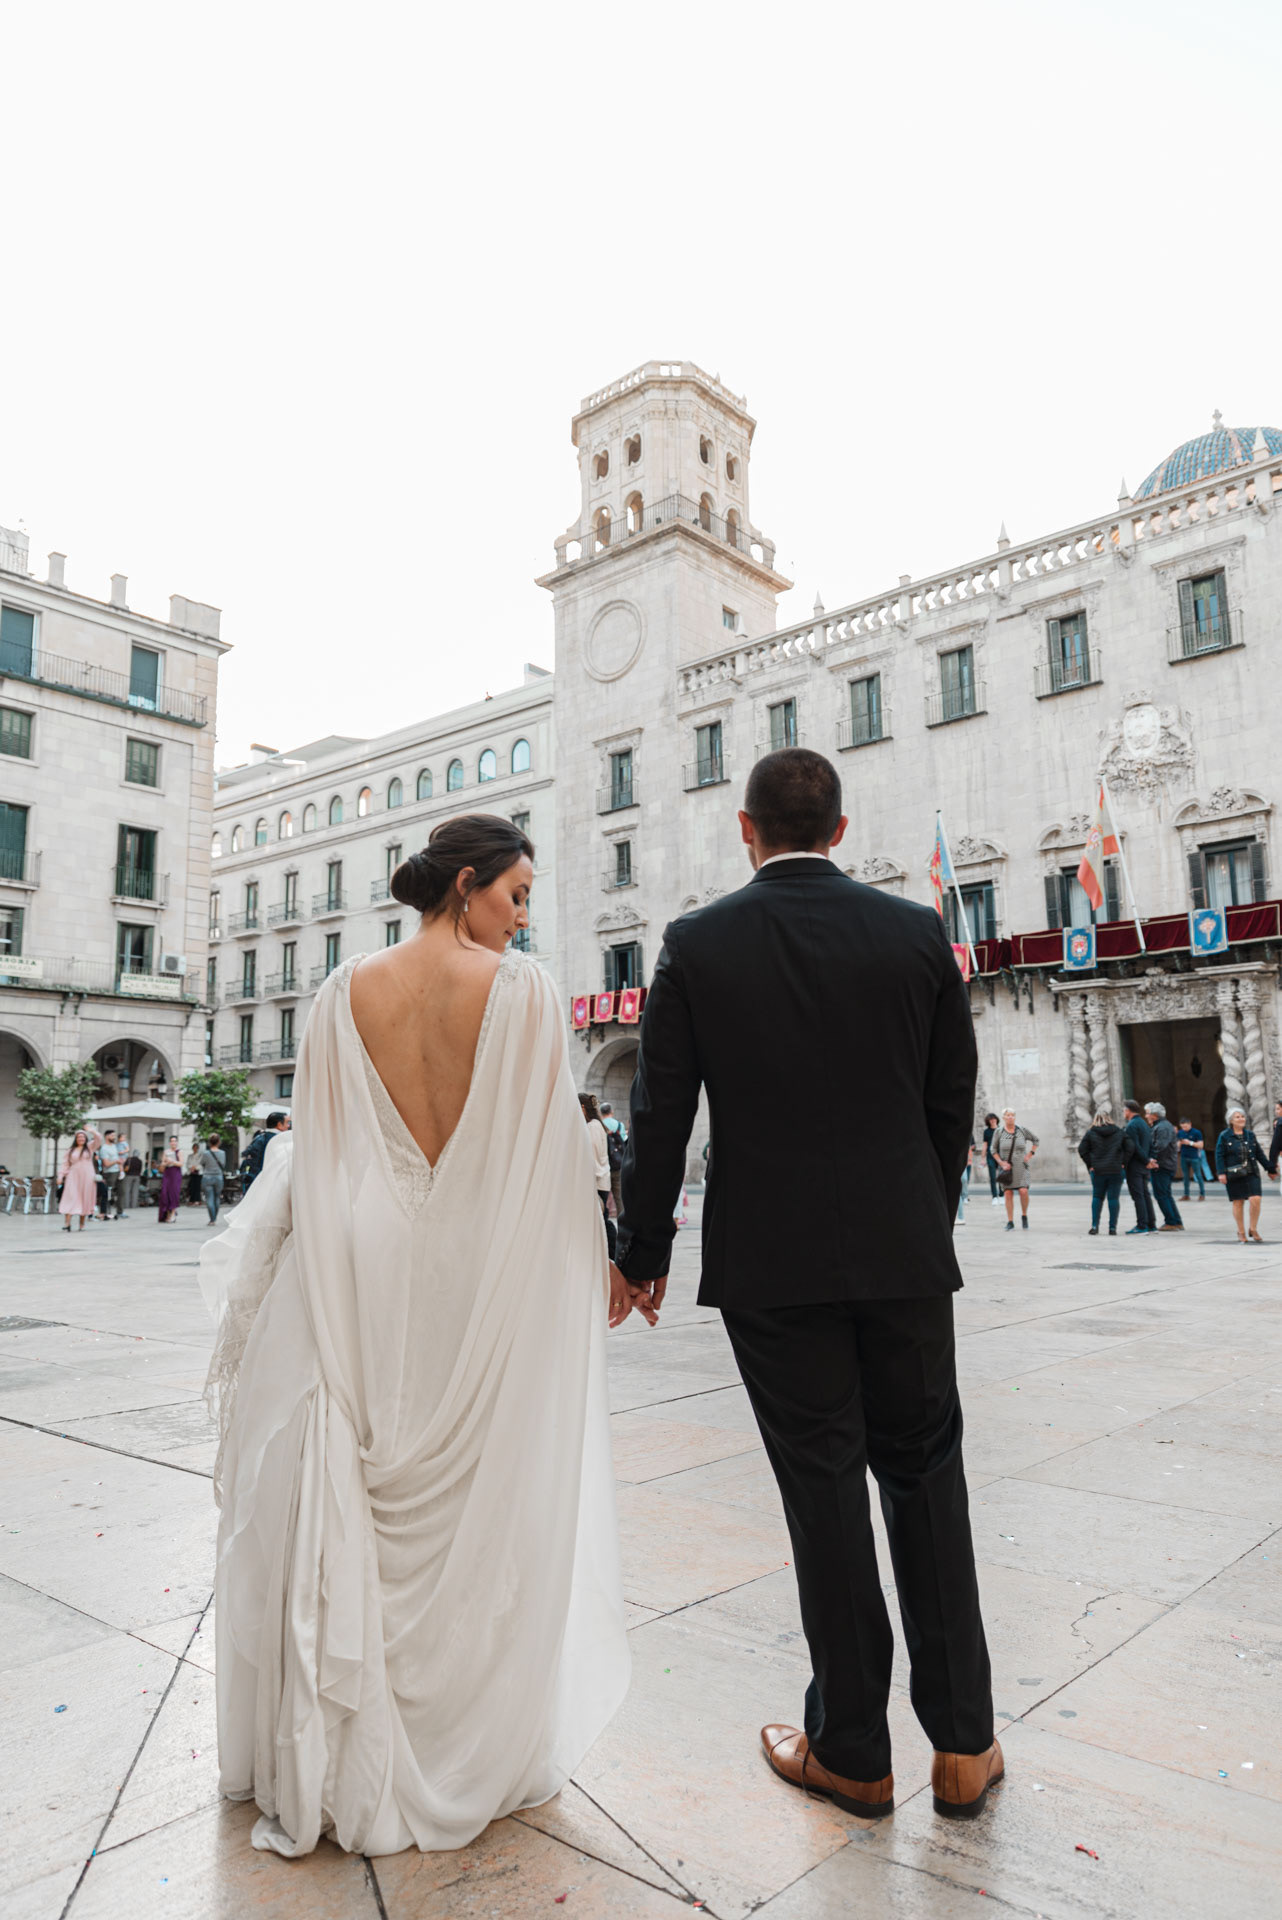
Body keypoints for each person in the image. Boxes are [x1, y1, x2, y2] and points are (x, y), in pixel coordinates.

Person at [199, 812, 630, 1858]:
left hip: (359, 1263)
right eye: (516, 896)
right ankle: (459, 1736)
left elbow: (320, 1155)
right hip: (471, 1271)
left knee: (354, 1462)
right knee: (482, 1494)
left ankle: (344, 1735)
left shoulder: (340, 993)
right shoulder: (522, 993)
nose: (521, 920)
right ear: (468, 883)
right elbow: (544, 1164)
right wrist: (593, 1266)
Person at [616, 748, 999, 1822]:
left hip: (771, 1262)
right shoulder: (917, 933)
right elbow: (950, 1100)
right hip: (902, 1252)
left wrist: (641, 1250)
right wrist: (919, 1216)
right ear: (840, 830)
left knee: (822, 1488)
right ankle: (964, 1745)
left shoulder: (697, 943)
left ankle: (853, 1752)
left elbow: (661, 1108)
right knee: (927, 1476)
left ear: (745, 829)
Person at [1215, 1106, 1277, 1243]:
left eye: (1242, 1116)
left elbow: (1259, 1154)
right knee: (1238, 1202)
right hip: (1234, 1174)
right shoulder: (1224, 1136)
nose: (1241, 1119)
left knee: (1256, 1199)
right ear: (1231, 1120)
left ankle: (1253, 1228)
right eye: (1237, 1117)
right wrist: (1221, 1173)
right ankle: (1241, 1231)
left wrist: (1270, 1169)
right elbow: (1219, 1155)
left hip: (1251, 1172)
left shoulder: (1250, 1135)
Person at [1077, 1109, 1126, 1235]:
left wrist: (1090, 1164)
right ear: (1109, 1118)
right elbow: (1130, 1147)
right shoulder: (1119, 1132)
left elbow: (1082, 1149)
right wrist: (1123, 1162)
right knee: (1113, 1198)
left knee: (1097, 1197)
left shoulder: (1090, 1133)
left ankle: (1094, 1226)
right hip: (1115, 1169)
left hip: (1098, 1170)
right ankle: (1112, 1228)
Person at [580, 1092, 616, 1258]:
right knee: (601, 1220)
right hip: (600, 1179)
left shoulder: (593, 1127)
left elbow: (592, 1156)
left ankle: (611, 1254)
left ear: (582, 1108)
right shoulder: (595, 1125)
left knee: (602, 1221)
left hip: (597, 1181)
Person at [992, 1108, 1037, 1231]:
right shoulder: (999, 1132)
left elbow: (1035, 1140)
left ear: (1015, 1117)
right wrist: (1001, 1163)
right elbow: (993, 1150)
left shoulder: (1021, 1130)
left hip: (1021, 1167)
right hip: (1007, 1168)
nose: (1010, 1117)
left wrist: (1030, 1154)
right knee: (1008, 1193)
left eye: (1012, 1115)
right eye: (1008, 1115)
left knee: (1023, 1191)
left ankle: (1024, 1215)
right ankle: (1010, 1221)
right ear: (1004, 1117)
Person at [1144, 1103, 1184, 1231]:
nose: (1146, 1116)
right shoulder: (1162, 1126)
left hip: (1162, 1165)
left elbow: (1159, 1147)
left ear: (1155, 1115)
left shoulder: (1162, 1127)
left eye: (1148, 1113)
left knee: (1161, 1194)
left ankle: (1171, 1222)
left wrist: (1151, 1159)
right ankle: (1176, 1221)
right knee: (1166, 1194)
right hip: (1165, 1164)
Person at [1122, 1100, 1156, 1234]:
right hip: (1144, 1165)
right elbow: (1151, 1144)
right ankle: (1151, 1225)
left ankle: (1142, 1225)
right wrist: (1150, 1159)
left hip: (1135, 1165)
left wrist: (1146, 1160)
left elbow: (1134, 1147)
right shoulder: (1143, 1123)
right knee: (1145, 1194)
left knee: (1138, 1195)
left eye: (1124, 1110)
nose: (1123, 1112)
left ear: (1128, 1110)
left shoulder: (1131, 1125)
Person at [58, 1127, 100, 1231]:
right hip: (73, 1176)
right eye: (79, 1137)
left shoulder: (90, 1147)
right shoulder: (70, 1151)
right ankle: (67, 1223)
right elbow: (65, 1164)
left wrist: (91, 1130)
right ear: (75, 1139)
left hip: (87, 1176)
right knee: (70, 1197)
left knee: (84, 1198)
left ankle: (82, 1224)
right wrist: (60, 1176)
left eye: (83, 1137)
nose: (81, 1138)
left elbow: (98, 1138)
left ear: (86, 1138)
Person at [240, 1112, 289, 1194]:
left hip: (255, 1180)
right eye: (287, 1122)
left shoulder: (260, 1137)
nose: (288, 1126)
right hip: (271, 1183)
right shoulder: (279, 1139)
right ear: (279, 1124)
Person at [600, 1100, 626, 1220]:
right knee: (619, 1197)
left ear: (601, 1113)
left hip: (603, 1165)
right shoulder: (619, 1125)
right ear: (612, 1112)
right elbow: (624, 1141)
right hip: (618, 1164)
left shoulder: (599, 1125)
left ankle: (603, 1220)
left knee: (602, 1197)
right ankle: (622, 1220)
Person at [1177, 1117, 1206, 1201]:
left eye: (1186, 1126)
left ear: (1190, 1124)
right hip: (1184, 1157)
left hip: (1194, 1157)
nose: (1184, 1129)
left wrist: (1190, 1142)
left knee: (1198, 1175)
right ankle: (1186, 1194)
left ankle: (1202, 1194)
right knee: (1185, 1177)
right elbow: (1177, 1146)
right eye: (1182, 1127)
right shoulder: (1180, 1132)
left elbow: (1201, 1145)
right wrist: (1179, 1143)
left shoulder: (1196, 1132)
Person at [200, 1135, 227, 1223]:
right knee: (217, 1198)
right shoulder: (222, 1153)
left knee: (209, 1198)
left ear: (209, 1142)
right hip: (218, 1177)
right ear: (219, 1142)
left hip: (207, 1177)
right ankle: (214, 1217)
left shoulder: (206, 1153)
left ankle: (212, 1219)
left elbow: (202, 1163)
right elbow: (223, 1165)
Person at [158, 1136, 184, 1223]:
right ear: (169, 1143)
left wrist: (172, 1161)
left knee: (173, 1193)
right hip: (167, 1173)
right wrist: (166, 1162)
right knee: (165, 1194)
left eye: (175, 1141)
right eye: (172, 1141)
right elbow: (162, 1164)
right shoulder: (166, 1152)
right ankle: (167, 1214)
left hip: (175, 1174)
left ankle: (173, 1214)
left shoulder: (179, 1152)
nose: (173, 1143)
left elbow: (181, 1163)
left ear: (177, 1142)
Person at [99, 1128, 123, 1219]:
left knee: (121, 1192)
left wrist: (121, 1171)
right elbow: (106, 1164)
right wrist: (115, 1162)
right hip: (109, 1173)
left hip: (117, 1171)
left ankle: (120, 1212)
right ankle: (106, 1212)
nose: (114, 1137)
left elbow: (118, 1160)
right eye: (112, 1135)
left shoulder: (114, 1146)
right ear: (107, 1136)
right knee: (109, 1193)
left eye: (114, 1135)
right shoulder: (104, 1148)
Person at [981, 1112, 1002, 1204]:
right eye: (990, 1120)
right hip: (990, 1156)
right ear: (988, 1121)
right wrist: (982, 1158)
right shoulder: (986, 1132)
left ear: (996, 1119)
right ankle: (994, 1197)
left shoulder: (1002, 1130)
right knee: (993, 1177)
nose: (993, 1121)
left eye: (994, 1119)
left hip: (1001, 1156)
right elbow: (985, 1145)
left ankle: (1001, 1195)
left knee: (1001, 1176)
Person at [120, 1147, 143, 1216]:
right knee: (135, 1191)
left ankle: (126, 1205)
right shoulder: (140, 1161)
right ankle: (134, 1205)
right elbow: (140, 1170)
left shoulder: (129, 1159)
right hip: (137, 1176)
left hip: (129, 1176)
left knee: (127, 1191)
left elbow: (124, 1167)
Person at [956, 1139, 973, 1226]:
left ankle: (965, 1196)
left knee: (964, 1180)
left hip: (960, 1162)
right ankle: (960, 1217)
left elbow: (968, 1147)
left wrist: (969, 1159)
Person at [1267, 1099, 1282, 1179]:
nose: (1276, 1111)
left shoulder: (1280, 1122)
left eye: (1278, 1109)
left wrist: (1272, 1166)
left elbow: (1275, 1145)